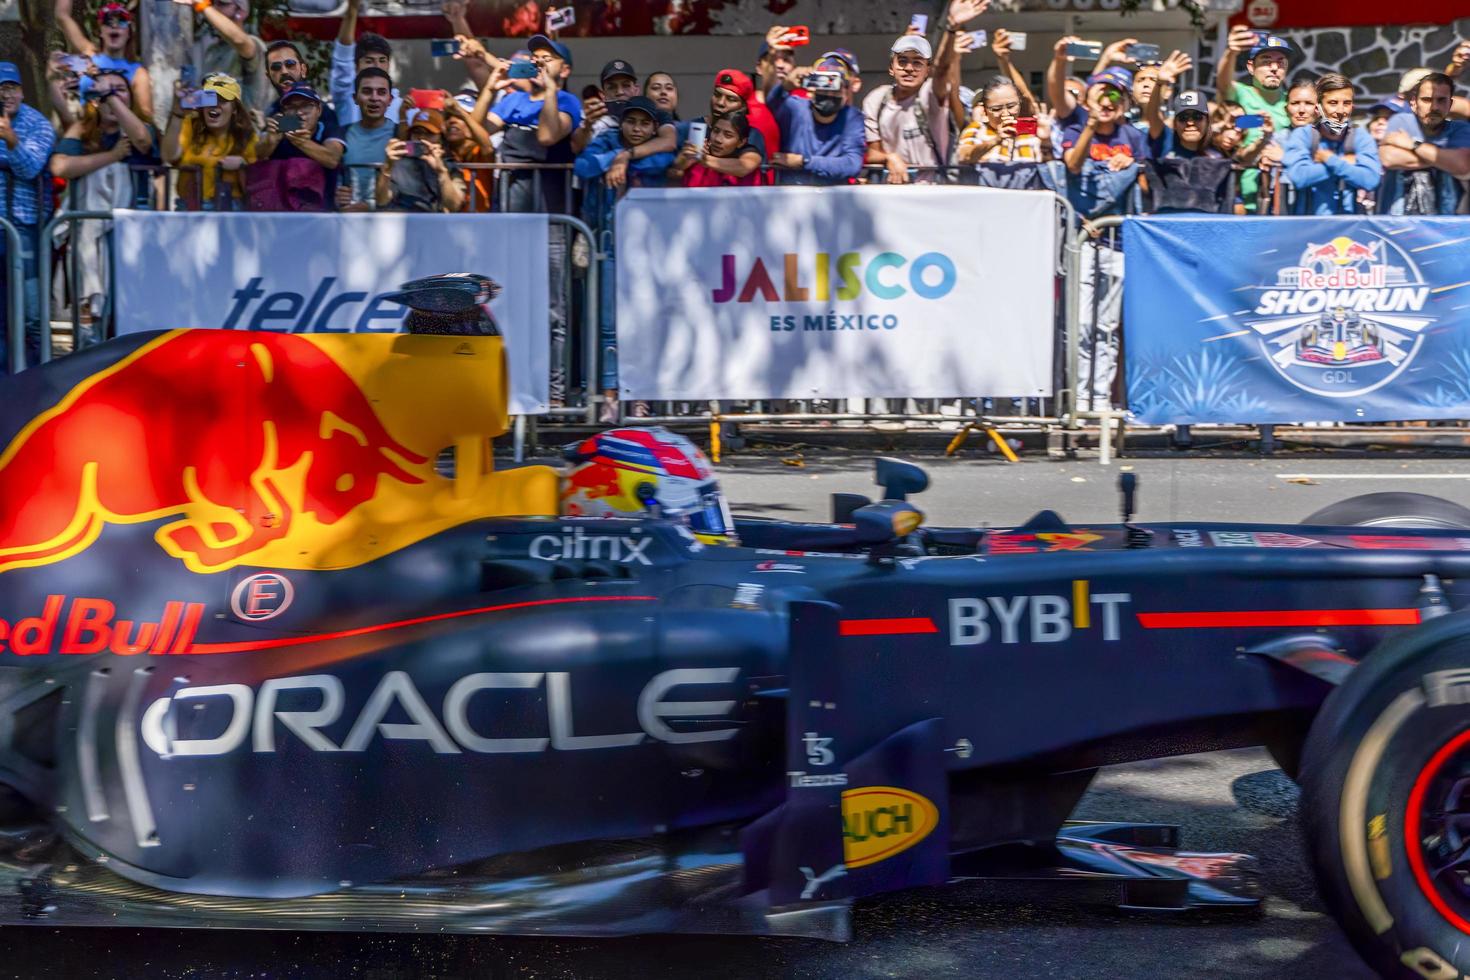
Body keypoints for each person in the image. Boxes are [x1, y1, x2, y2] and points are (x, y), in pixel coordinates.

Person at [1061, 68, 1148, 412]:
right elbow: (1072, 164)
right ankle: (1080, 396)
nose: (1108, 101)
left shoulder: (1134, 135)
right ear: (1087, 98)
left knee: (1107, 326)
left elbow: (1144, 178)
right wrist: (1090, 127)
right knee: (1081, 323)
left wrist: (1134, 165)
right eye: (1102, 93)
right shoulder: (1074, 127)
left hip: (1117, 240)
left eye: (1116, 94)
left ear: (1126, 102)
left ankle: (1100, 396)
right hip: (1082, 237)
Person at [51, 70, 156, 338]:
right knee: (94, 313)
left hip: (132, 236)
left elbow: (143, 142)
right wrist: (112, 156)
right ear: (95, 99)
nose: (113, 96)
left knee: (131, 308)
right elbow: (60, 166)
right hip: (90, 235)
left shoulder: (140, 127)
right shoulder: (83, 128)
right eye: (106, 91)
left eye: (121, 90)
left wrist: (112, 97)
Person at [862, 0, 986, 185]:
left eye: (917, 63)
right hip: (892, 192)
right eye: (902, 61)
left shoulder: (930, 93)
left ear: (927, 70)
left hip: (933, 193)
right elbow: (872, 153)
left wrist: (951, 27)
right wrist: (889, 158)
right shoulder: (876, 99)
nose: (909, 68)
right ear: (891, 68)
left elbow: (942, 69)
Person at [0, 62, 55, 373]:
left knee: (31, 311)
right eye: (0, 89)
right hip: (0, 224)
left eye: (11, 88)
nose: (5, 95)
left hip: (26, 226)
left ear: (21, 92)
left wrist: (11, 140)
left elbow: (31, 166)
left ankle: (39, 377)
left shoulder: (38, 124)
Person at [1214, 27, 1295, 211]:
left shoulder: (1294, 102)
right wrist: (1231, 52)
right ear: (1251, 67)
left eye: (1281, 62)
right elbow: (1223, 83)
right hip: (1241, 198)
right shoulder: (1240, 94)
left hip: (1282, 199)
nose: (1274, 68)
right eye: (1266, 61)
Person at [1282, 72, 1381, 215]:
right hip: (1309, 227)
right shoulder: (1303, 135)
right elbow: (1300, 177)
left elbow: (1371, 180)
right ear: (1318, 108)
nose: (1340, 111)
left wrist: (1330, 160)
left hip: (1349, 228)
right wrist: (1346, 163)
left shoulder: (1361, 137)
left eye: (1346, 103)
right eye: (1333, 103)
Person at [1379, 72, 1470, 215]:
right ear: (1414, 103)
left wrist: (1413, 145)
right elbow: (1388, 158)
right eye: (1427, 100)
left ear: (1450, 104)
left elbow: (1463, 164)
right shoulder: (1400, 121)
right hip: (1396, 225)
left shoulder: (1460, 129)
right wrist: (1444, 159)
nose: (1434, 107)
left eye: (1441, 100)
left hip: (1449, 229)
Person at [163, 71, 256, 210]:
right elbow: (169, 156)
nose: (215, 105)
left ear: (235, 109)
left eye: (223, 100)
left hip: (230, 210)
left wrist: (243, 165)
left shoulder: (247, 136)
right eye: (209, 98)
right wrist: (177, 114)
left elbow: (256, 186)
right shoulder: (190, 124)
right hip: (189, 208)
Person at [765, 58, 866, 185]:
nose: (829, 94)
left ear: (846, 93)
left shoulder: (851, 117)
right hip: (794, 193)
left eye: (835, 87)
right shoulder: (795, 108)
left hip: (832, 198)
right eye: (823, 86)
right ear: (811, 90)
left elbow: (852, 164)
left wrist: (803, 162)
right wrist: (786, 84)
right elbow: (772, 101)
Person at [53, 0, 153, 121]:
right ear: (100, 31)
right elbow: (62, 16)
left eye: (121, 21)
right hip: (88, 131)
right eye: (107, 21)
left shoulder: (138, 73)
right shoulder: (89, 55)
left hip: (121, 134)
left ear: (128, 33)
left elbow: (145, 117)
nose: (114, 25)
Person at [253, 82, 342, 211]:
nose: (299, 112)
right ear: (284, 111)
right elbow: (255, 156)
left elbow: (332, 159)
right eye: (292, 107)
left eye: (306, 106)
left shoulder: (328, 128)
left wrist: (301, 142)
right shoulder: (279, 129)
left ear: (319, 110)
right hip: (279, 210)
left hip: (322, 212)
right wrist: (271, 141)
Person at [173, 0, 269, 114]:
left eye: (223, 4)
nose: (215, 8)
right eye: (214, 3)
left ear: (241, 12)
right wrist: (186, 99)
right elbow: (211, 98)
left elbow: (239, 40)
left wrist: (202, 5)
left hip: (242, 127)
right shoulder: (211, 50)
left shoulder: (254, 44)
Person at [378, 108, 465, 213]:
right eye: (417, 133)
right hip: (401, 221)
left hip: (434, 224)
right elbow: (381, 201)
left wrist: (442, 172)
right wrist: (387, 167)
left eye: (429, 133)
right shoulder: (396, 163)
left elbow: (454, 206)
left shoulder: (449, 166)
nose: (422, 138)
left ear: (441, 139)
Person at [331, 0, 403, 127]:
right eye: (369, 61)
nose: (377, 66)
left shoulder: (401, 105)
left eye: (382, 60)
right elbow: (342, 57)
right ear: (356, 67)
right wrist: (352, 11)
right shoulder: (345, 95)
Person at [337, 67, 396, 210]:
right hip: (349, 222)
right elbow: (334, 180)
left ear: (390, 99)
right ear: (355, 98)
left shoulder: (400, 135)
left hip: (391, 224)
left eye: (381, 92)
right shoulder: (341, 136)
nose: (374, 98)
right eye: (367, 91)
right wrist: (337, 194)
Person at [670, 111, 764, 187]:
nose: (718, 139)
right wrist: (681, 163)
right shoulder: (697, 153)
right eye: (716, 131)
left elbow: (744, 167)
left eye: (728, 135)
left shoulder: (749, 151)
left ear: (741, 142)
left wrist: (705, 160)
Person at [443, 88, 496, 211]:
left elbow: (487, 147)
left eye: (459, 117)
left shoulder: (479, 151)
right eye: (448, 116)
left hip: (478, 224)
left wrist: (460, 112)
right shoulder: (441, 152)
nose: (452, 121)